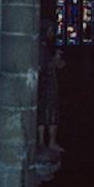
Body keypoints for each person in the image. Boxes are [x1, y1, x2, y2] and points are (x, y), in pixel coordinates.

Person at [37, 19, 65, 152]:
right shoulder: (41, 47)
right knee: (49, 113)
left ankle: (44, 142)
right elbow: (44, 65)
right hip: (46, 85)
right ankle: (48, 142)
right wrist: (56, 60)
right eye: (50, 31)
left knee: (45, 113)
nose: (52, 34)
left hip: (46, 84)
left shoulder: (44, 46)